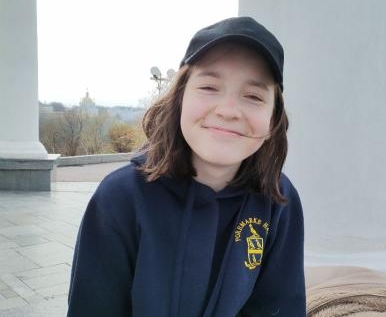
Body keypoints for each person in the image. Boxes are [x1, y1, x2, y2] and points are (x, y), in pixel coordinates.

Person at [67, 16, 306, 317]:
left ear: (273, 118)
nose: (228, 111)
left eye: (253, 96)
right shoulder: (120, 198)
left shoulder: (279, 201)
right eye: (209, 87)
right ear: (180, 98)